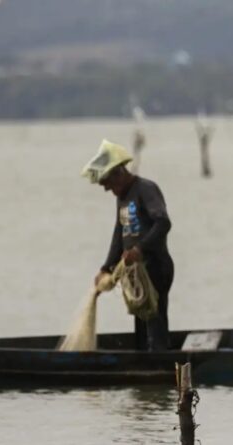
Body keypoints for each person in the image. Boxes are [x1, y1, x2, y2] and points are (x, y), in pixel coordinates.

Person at [81, 139, 175, 351]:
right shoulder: (122, 197)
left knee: (155, 318)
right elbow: (119, 232)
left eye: (108, 183)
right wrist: (106, 267)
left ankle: (160, 364)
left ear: (119, 173)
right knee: (141, 320)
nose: (107, 189)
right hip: (134, 272)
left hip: (156, 267)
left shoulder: (145, 189)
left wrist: (139, 250)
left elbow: (163, 223)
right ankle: (143, 362)